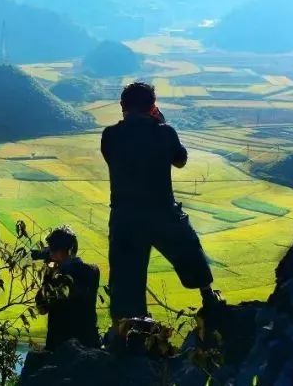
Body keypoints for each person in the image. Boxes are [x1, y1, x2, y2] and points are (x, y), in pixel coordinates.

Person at [102, 82, 223, 333]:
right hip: (162, 211)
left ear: (123, 106)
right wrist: (161, 123)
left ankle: (126, 332)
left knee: (125, 277)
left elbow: (114, 157)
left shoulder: (110, 135)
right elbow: (180, 160)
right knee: (190, 250)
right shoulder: (164, 132)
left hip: (125, 216)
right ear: (153, 107)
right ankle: (208, 298)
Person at [34, 226, 101, 350]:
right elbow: (42, 307)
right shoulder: (92, 271)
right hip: (86, 344)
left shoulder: (79, 273)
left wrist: (50, 274)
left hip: (63, 346)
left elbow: (42, 307)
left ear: (69, 250)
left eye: (54, 249)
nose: (51, 253)